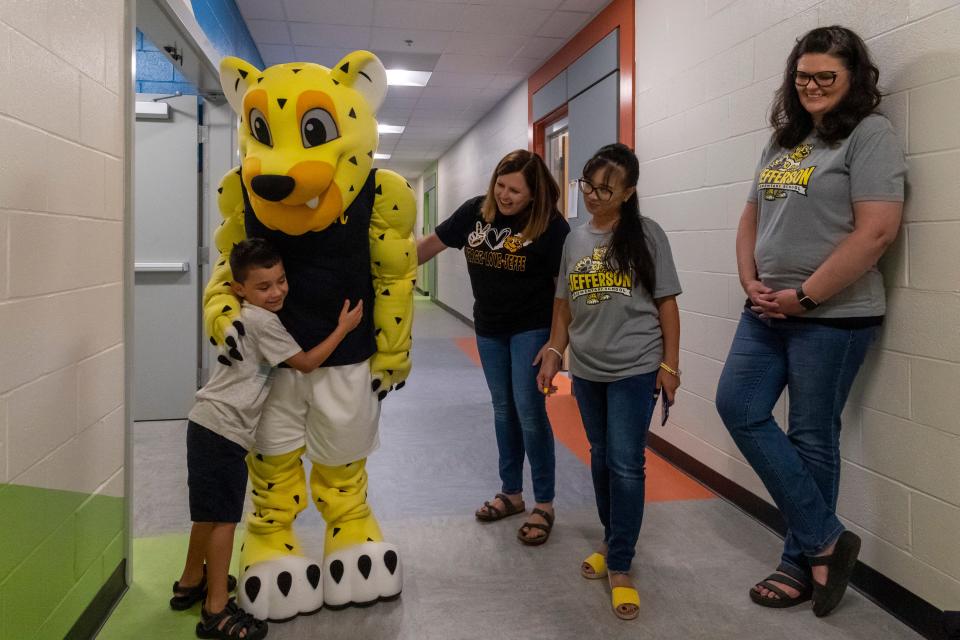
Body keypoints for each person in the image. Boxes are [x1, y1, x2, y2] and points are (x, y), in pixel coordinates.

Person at [714, 26, 905, 617]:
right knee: (738, 406)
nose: (813, 86)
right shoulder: (784, 139)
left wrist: (806, 297)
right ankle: (825, 537)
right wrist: (750, 279)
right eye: (804, 77)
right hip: (765, 309)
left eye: (827, 76)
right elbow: (751, 216)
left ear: (853, 80)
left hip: (834, 315)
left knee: (811, 435)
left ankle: (799, 562)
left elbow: (875, 231)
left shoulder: (869, 136)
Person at [172, 238, 363, 640]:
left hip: (204, 423)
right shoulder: (262, 322)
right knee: (224, 519)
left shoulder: (244, 313)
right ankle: (217, 611)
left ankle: (191, 581)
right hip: (223, 431)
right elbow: (307, 364)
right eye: (264, 286)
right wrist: (343, 328)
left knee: (205, 514)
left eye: (280, 281)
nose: (276, 292)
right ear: (240, 288)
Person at [537, 143, 682, 620]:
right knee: (600, 459)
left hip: (635, 366)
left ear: (628, 192)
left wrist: (670, 365)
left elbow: (667, 304)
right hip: (588, 370)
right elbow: (563, 303)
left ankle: (620, 562)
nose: (594, 196)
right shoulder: (574, 241)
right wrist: (556, 351)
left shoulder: (647, 235)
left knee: (625, 464)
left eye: (606, 189)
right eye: (588, 185)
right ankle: (610, 537)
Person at [418, 149, 570, 544]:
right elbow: (427, 247)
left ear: (534, 194)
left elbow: (563, 292)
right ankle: (512, 493)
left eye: (515, 191)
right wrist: (378, 268)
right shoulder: (475, 213)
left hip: (531, 329)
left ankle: (545, 503)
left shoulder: (551, 227)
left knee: (529, 410)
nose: (505, 196)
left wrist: (556, 344)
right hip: (489, 328)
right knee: (503, 409)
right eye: (500, 186)